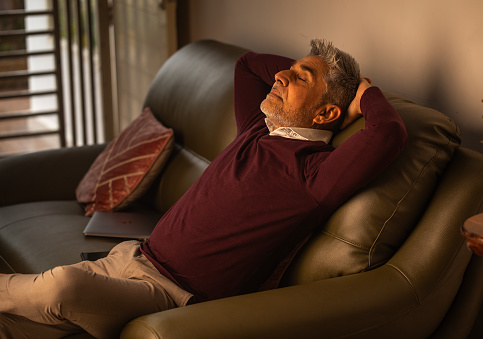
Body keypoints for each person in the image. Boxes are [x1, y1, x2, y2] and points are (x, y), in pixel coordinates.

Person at [0, 39, 407, 338]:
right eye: (291, 69)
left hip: (168, 293)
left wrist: (364, 93)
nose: (281, 76)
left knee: (60, 288)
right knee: (18, 324)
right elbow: (247, 66)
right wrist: (311, 76)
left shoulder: (314, 174)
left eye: (301, 77)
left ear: (328, 112)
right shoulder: (256, 128)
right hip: (128, 257)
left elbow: (388, 133)